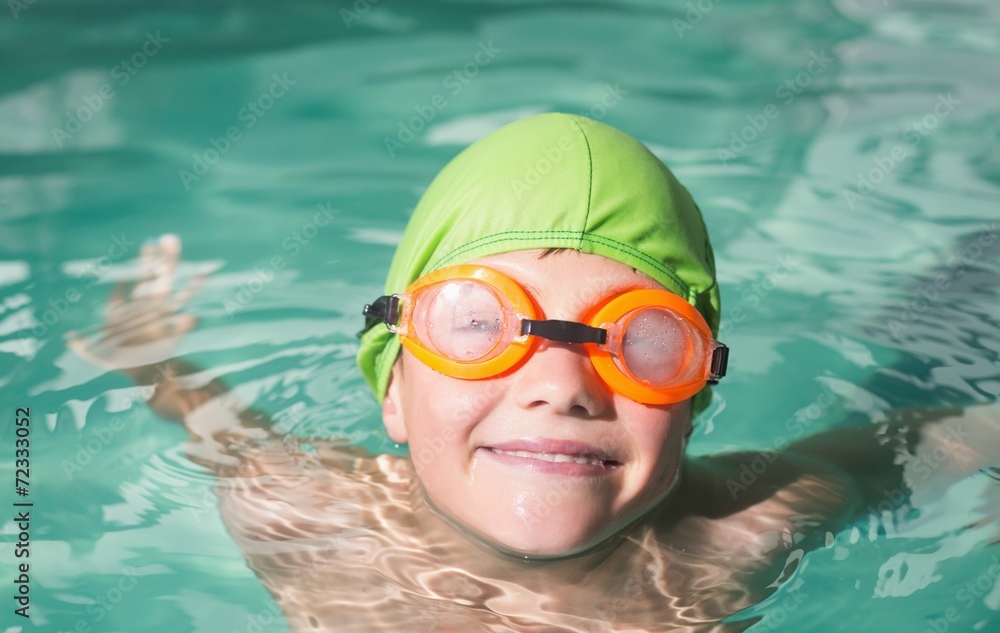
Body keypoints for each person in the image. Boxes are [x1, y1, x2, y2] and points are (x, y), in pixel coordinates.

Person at [69, 114, 999, 632]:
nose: (560, 383)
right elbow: (211, 423)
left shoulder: (742, 532)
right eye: (475, 327)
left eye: (642, 341)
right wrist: (147, 351)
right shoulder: (305, 514)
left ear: (695, 399)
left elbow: (923, 438)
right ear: (391, 386)